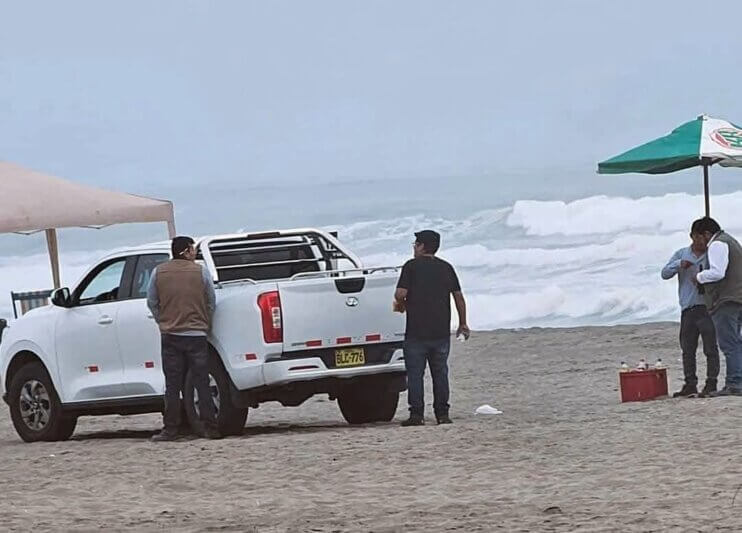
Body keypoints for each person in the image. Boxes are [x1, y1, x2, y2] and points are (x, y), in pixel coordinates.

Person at [147, 236, 221, 440]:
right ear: (186, 251)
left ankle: (171, 429)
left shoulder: (158, 272)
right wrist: (206, 323)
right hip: (196, 333)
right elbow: (211, 301)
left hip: (170, 334)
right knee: (201, 381)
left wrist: (162, 321)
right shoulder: (200, 271)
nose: (195, 252)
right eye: (192, 249)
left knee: (172, 384)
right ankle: (210, 427)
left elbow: (151, 302)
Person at [394, 230, 469, 426]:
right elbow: (458, 297)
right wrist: (462, 322)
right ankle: (442, 414)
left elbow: (400, 293)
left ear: (421, 246)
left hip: (416, 332)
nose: (414, 247)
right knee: (440, 373)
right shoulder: (446, 267)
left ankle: (416, 414)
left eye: (415, 244)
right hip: (440, 331)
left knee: (416, 374)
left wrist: (402, 303)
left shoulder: (411, 267)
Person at [661, 220, 719, 397]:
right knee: (688, 349)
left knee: (710, 348)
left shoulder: (712, 254)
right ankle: (690, 383)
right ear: (692, 236)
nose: (702, 241)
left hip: (707, 307)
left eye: (704, 237)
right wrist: (679, 264)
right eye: (698, 237)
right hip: (688, 307)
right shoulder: (682, 254)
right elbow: (664, 274)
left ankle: (711, 383)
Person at [694, 217, 742, 396]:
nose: (698, 243)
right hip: (737, 298)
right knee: (736, 342)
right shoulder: (731, 241)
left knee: (729, 343)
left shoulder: (717, 244)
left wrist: (699, 277)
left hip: (726, 300)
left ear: (706, 234)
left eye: (698, 237)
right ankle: (737, 381)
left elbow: (717, 272)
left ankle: (735, 383)